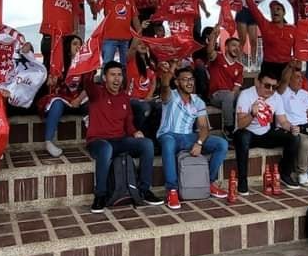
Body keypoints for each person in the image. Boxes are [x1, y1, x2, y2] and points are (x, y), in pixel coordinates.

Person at [85, 61, 162, 213]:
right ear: (104, 78)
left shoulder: (124, 97)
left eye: (119, 75)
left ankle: (144, 190)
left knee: (147, 144)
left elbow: (128, 123)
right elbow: (87, 82)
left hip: (120, 141)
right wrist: (89, 66)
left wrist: (134, 132)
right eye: (112, 75)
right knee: (106, 148)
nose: (117, 79)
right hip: (98, 142)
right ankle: (100, 195)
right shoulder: (97, 93)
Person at [155, 66, 229, 209]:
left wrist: (199, 142)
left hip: (188, 137)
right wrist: (166, 78)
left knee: (221, 144)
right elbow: (164, 89)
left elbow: (203, 127)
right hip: (169, 135)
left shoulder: (198, 101)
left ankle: (209, 182)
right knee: (168, 143)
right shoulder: (171, 95)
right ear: (176, 82)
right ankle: (172, 190)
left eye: (191, 79)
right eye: (185, 80)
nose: (189, 83)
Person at [233, 69, 301, 193]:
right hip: (247, 132)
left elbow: (283, 121)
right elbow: (241, 124)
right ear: (257, 83)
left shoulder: (276, 97)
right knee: (242, 136)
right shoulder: (246, 95)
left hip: (265, 133)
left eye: (274, 87)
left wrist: (292, 128)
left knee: (294, 137)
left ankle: (285, 174)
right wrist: (252, 114)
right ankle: (242, 180)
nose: (270, 90)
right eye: (267, 85)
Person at [39, 35, 88, 157]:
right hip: (63, 99)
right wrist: (51, 81)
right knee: (56, 103)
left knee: (95, 103)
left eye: (80, 44)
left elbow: (88, 87)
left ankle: (95, 139)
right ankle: (49, 142)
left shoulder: (85, 64)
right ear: (68, 47)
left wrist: (79, 99)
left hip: (78, 99)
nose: (78, 47)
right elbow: (52, 87)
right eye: (75, 44)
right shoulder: (59, 64)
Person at [241, 0, 294, 81]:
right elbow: (252, 7)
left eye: (278, 9)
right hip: (269, 66)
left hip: (286, 66)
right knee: (266, 93)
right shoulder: (265, 25)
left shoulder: (292, 29)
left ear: (284, 12)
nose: (275, 11)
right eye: (272, 10)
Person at [93, 0, 142, 65]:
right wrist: (92, 3)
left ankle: (124, 80)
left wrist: (140, 34)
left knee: (125, 66)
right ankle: (104, 79)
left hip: (126, 39)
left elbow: (135, 18)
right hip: (109, 38)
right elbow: (95, 11)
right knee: (108, 65)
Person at [207, 35, 244, 135]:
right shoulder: (218, 57)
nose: (236, 48)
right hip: (216, 95)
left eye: (238, 46)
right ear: (226, 47)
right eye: (233, 45)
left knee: (244, 94)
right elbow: (210, 52)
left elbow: (237, 87)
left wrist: (233, 95)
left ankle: (245, 126)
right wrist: (214, 35)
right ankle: (229, 128)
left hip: (230, 95)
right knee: (228, 95)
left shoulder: (239, 67)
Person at [126, 38, 160, 136]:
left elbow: (153, 82)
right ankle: (135, 133)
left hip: (145, 98)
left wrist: (148, 96)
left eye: (145, 43)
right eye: (140, 43)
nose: (143, 45)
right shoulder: (131, 60)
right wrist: (139, 31)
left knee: (160, 107)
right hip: (132, 98)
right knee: (145, 107)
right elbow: (132, 48)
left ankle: (153, 136)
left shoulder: (152, 63)